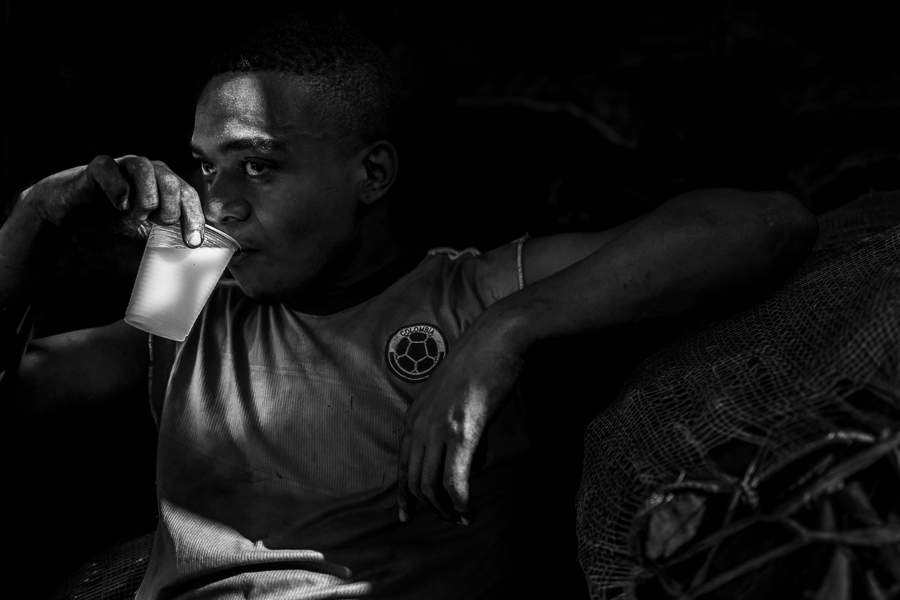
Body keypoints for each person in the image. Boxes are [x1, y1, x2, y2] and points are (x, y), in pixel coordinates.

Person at [1, 14, 819, 600]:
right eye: (207, 167)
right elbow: (18, 389)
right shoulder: (192, 289)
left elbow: (763, 223)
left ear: (373, 174)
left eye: (258, 167)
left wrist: (507, 331)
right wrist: (36, 216)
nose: (221, 202)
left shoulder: (466, 293)